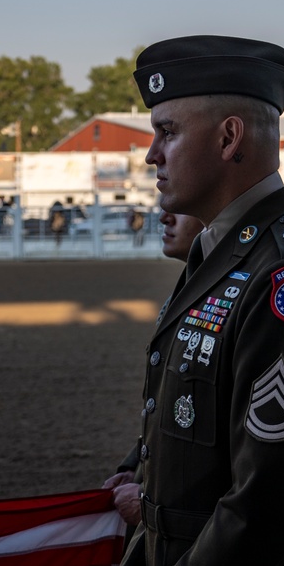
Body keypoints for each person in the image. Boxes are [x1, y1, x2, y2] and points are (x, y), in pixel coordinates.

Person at [103, 36, 284, 566]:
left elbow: (267, 505)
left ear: (229, 138)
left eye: (167, 132)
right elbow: (177, 462)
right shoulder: (226, 255)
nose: (151, 154)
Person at [103, 210, 204, 537]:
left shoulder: (229, 287)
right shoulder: (192, 283)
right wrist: (137, 467)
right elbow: (171, 406)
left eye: (180, 208)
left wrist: (152, 503)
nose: (164, 218)